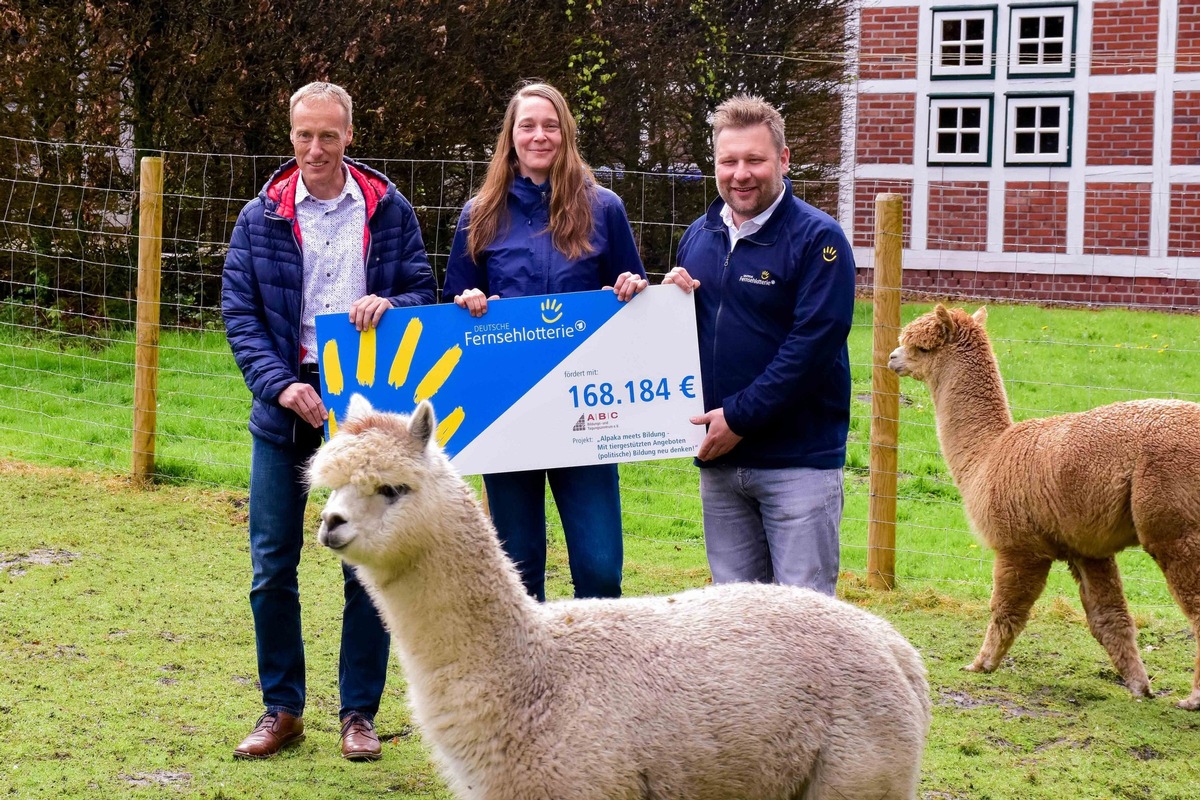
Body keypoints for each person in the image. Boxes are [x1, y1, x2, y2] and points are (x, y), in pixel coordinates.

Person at [222, 81, 436, 760]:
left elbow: (422, 292)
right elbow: (240, 313)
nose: (316, 148)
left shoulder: (387, 207)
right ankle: (281, 709)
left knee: (364, 560)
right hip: (287, 401)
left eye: (329, 135)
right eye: (304, 135)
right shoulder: (262, 216)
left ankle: (358, 715)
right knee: (272, 562)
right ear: (291, 138)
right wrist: (281, 385)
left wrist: (389, 304)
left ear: (350, 136)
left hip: (365, 405)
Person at [442, 81, 648, 602]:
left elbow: (637, 302)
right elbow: (450, 314)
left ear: (566, 133)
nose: (539, 135)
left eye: (550, 125)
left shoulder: (604, 208)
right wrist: (466, 301)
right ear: (510, 137)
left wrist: (630, 288)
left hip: (586, 414)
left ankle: (599, 680)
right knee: (520, 572)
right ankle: (529, 683)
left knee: (600, 570)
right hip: (509, 415)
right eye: (527, 125)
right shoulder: (480, 214)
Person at [663, 94, 855, 596]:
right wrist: (656, 307)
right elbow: (684, 338)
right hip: (720, 464)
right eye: (729, 161)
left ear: (784, 160)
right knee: (736, 628)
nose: (740, 173)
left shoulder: (820, 241)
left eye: (755, 159)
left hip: (798, 464)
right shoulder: (698, 238)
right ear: (715, 163)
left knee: (805, 625)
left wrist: (740, 419)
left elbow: (812, 346)